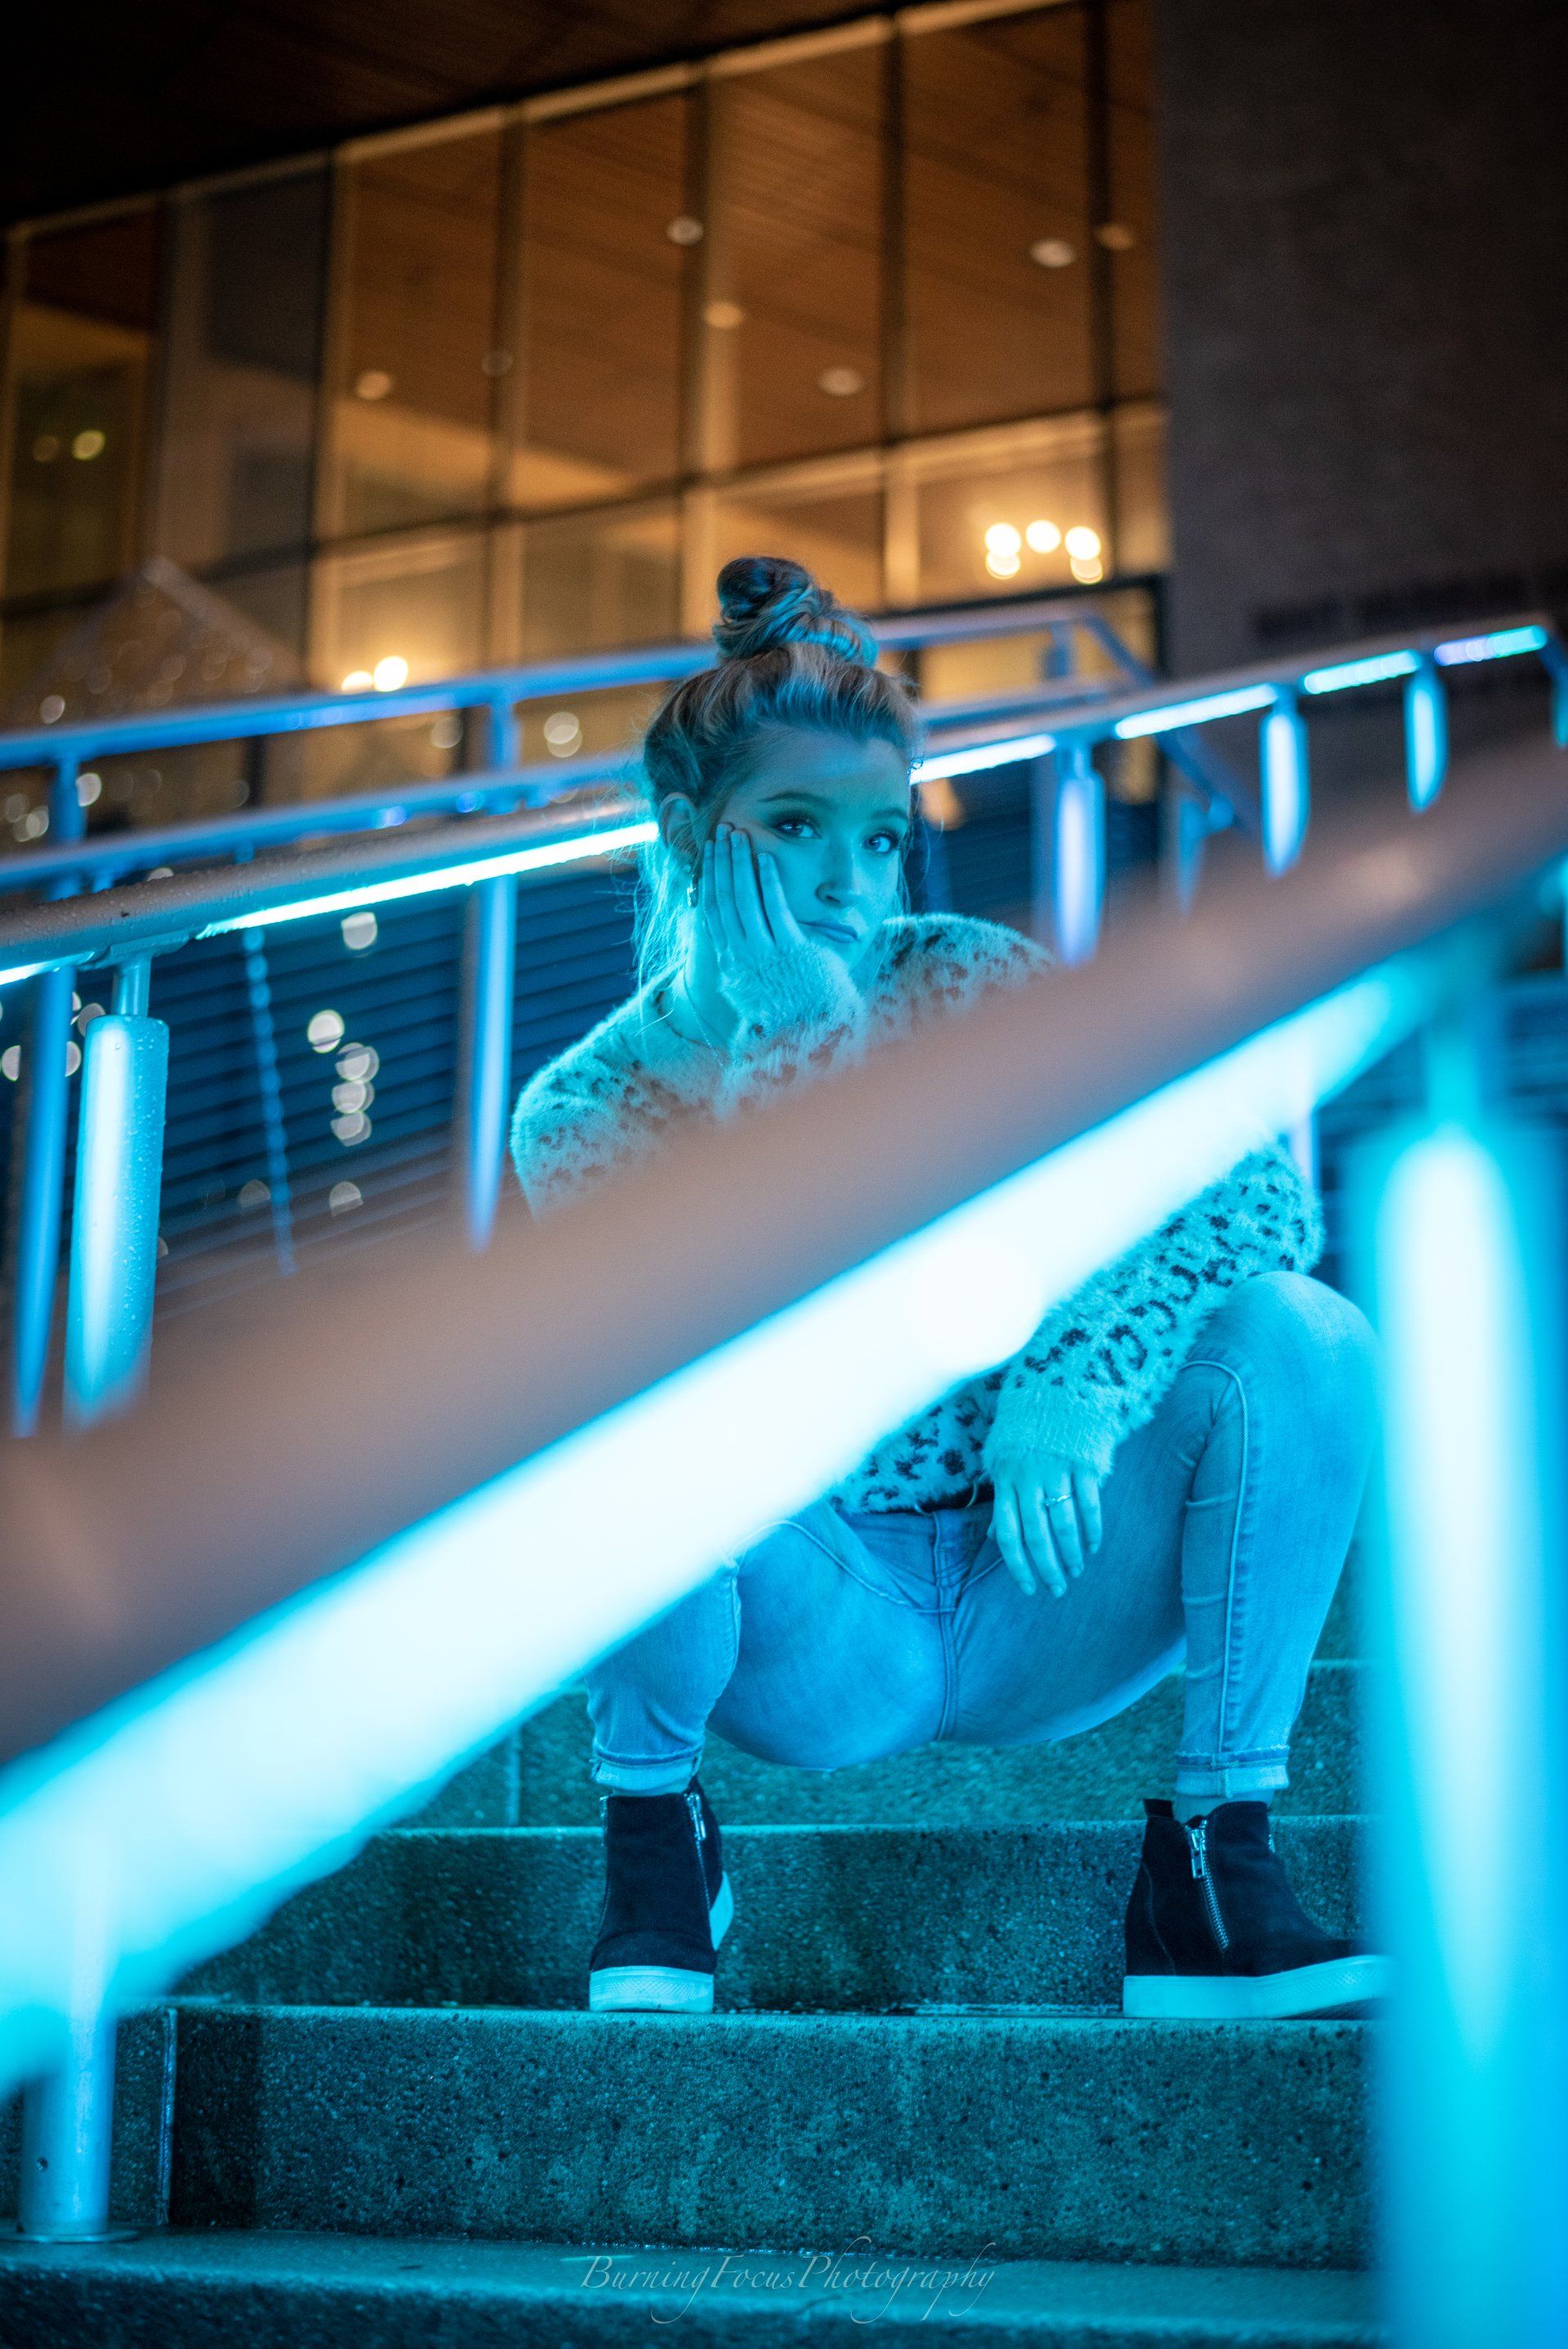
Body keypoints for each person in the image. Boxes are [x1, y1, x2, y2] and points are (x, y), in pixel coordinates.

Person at [509, 555, 1384, 2025]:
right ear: (688, 835)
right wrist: (799, 1047)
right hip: (818, 1623)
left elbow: (1253, 1194)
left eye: (880, 838)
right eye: (796, 828)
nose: (848, 883)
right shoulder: (583, 1114)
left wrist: (1075, 1384)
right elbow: (745, 1363)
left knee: (1305, 1336)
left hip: (1046, 1572)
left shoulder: (968, 979)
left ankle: (1216, 1871)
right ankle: (654, 1835)